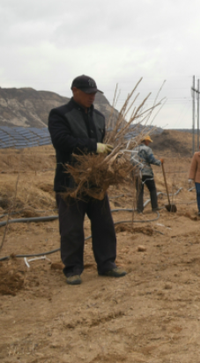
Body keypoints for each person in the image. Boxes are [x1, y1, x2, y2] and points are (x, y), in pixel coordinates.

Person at [48, 75, 126, 285]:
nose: (92, 97)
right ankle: (73, 269)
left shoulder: (100, 117)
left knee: (104, 225)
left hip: (96, 183)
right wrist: (94, 146)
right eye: (88, 93)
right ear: (75, 91)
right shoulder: (59, 114)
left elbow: (104, 144)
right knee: (71, 228)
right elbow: (61, 141)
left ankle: (107, 264)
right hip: (69, 183)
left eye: (94, 93)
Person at [131, 135, 163, 213]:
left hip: (137, 173)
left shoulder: (134, 150)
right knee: (152, 189)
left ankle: (139, 209)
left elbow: (131, 161)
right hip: (147, 173)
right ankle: (154, 207)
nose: (148, 143)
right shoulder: (147, 149)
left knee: (139, 191)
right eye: (148, 141)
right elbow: (151, 160)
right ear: (145, 141)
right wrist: (159, 162)